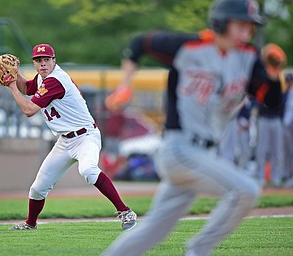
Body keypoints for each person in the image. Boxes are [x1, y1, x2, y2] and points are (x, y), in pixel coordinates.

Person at [103, 0, 281, 255]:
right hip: (179, 148)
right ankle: (199, 249)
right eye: (240, 24)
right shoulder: (188, 47)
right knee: (246, 190)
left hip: (204, 156)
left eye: (250, 26)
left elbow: (272, 103)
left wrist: (273, 74)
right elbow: (139, 43)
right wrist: (125, 84)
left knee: (153, 230)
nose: (246, 32)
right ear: (221, 22)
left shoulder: (248, 57)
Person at [6, 43, 137, 231]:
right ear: (34, 63)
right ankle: (30, 224)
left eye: (46, 60)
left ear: (54, 61)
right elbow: (28, 88)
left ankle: (126, 212)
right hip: (65, 141)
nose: (42, 64)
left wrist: (11, 87)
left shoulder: (55, 80)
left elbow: (28, 110)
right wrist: (16, 75)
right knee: (37, 188)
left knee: (88, 170)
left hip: (85, 137)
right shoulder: (43, 79)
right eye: (38, 60)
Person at [254, 43, 286, 187]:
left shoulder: (280, 77)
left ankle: (276, 177)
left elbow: (280, 98)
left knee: (277, 150)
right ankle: (259, 176)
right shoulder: (264, 76)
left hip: (276, 118)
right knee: (261, 149)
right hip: (264, 117)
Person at [282, 72, 293, 187]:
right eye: (287, 81)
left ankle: (291, 175)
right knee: (286, 151)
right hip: (286, 125)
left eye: (290, 81)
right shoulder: (285, 93)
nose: (288, 83)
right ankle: (287, 174)